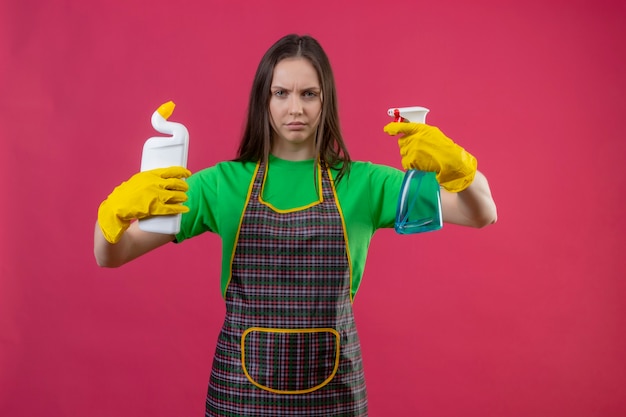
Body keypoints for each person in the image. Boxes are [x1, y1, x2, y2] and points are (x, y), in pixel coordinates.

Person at [94, 34, 497, 417]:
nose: (295, 109)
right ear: (263, 100)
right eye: (281, 93)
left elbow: (481, 213)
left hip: (336, 396)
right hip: (240, 397)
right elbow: (111, 255)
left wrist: (461, 167)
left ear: (326, 101)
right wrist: (111, 215)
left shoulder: (365, 184)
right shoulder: (221, 185)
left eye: (309, 94)